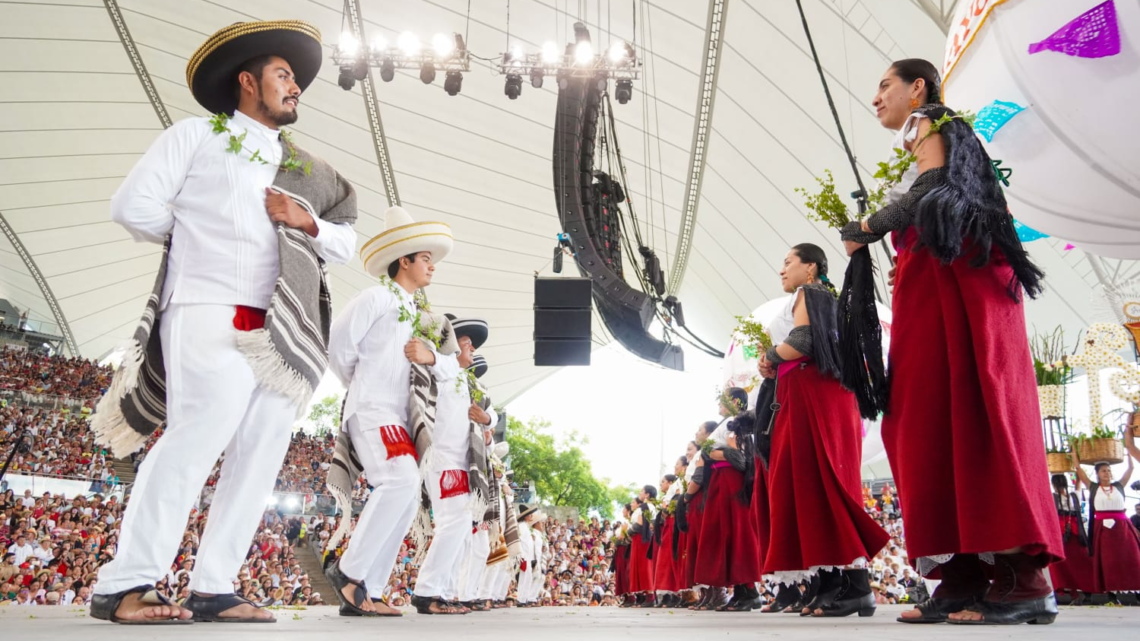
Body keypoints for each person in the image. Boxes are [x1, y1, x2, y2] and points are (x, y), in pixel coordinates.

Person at [89, 20, 356, 625]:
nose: (295, 88)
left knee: (260, 456)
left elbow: (346, 240)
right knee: (196, 439)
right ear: (246, 81)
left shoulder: (304, 169)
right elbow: (131, 206)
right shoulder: (196, 137)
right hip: (209, 309)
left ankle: (215, 586)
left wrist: (306, 222)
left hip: (281, 331)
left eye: (295, 79)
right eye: (283, 76)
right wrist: (197, 237)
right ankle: (124, 583)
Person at [840, 58, 1060, 625]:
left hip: (957, 294)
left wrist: (870, 226)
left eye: (884, 84)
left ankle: (1021, 577)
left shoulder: (930, 121)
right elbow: (940, 205)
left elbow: (935, 188)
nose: (876, 98)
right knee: (934, 417)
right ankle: (964, 573)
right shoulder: (934, 134)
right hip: (942, 288)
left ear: (918, 88)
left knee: (967, 410)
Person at [322, 205, 458, 617]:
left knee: (404, 499)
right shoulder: (376, 297)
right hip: (373, 410)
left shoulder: (421, 316)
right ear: (404, 261)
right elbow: (338, 348)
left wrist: (431, 355)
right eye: (425, 259)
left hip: (400, 418)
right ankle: (349, 573)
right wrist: (363, 384)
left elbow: (451, 372)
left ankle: (372, 589)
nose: (432, 266)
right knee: (398, 483)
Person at [758, 244, 889, 619]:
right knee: (814, 485)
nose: (782, 270)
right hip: (817, 394)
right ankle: (832, 583)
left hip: (813, 394)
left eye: (788, 263)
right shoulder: (826, 297)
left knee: (821, 483)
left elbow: (804, 340)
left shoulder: (810, 293)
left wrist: (769, 356)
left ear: (811, 267)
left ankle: (854, 586)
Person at [413, 315, 496, 615]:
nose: (472, 346)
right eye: (466, 342)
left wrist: (488, 421)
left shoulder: (466, 381)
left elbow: (492, 413)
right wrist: (436, 353)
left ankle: (444, 593)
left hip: (462, 465)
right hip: (444, 462)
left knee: (460, 530)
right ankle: (426, 592)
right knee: (455, 524)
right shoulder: (445, 372)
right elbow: (436, 361)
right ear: (450, 345)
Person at [694, 389, 762, 611]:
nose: (719, 405)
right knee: (726, 534)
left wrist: (715, 454)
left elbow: (740, 457)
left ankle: (749, 591)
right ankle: (742, 592)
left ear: (734, 402)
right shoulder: (727, 423)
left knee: (736, 532)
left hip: (730, 481)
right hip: (721, 481)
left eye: (723, 400)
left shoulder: (734, 422)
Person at [1072, 435, 1140, 596]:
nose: (1107, 473)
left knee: (1132, 557)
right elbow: (1079, 470)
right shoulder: (1093, 487)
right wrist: (1074, 452)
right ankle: (1111, 593)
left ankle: (1136, 591)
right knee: (1108, 561)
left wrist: (1127, 451)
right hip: (1102, 529)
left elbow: (1130, 470)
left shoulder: (1119, 485)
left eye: (1109, 470)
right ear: (1097, 474)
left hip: (1122, 528)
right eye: (1103, 471)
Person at [1047, 474, 1094, 604]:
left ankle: (1074, 593)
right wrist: (1077, 472)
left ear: (1053, 484)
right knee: (1082, 562)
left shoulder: (1053, 497)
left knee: (1060, 563)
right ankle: (1085, 592)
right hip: (1074, 532)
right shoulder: (1074, 495)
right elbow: (1079, 484)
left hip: (1062, 533)